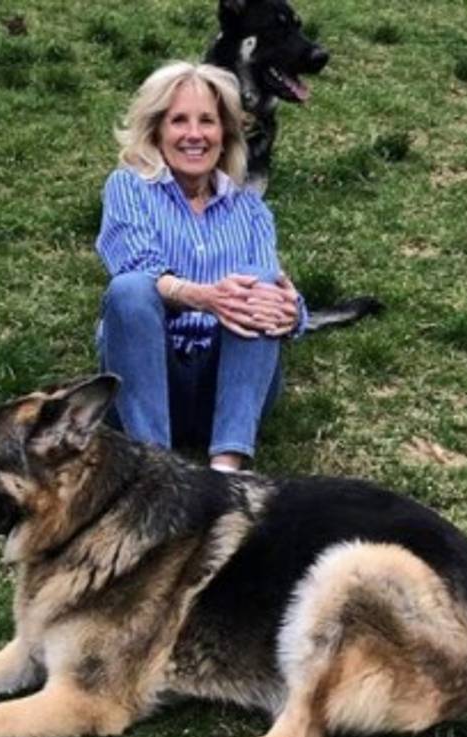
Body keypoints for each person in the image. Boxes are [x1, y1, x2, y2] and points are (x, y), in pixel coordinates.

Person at [95, 61, 306, 472]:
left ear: (226, 132)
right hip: (150, 381)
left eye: (207, 121)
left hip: (226, 387)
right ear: (156, 130)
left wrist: (291, 309)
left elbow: (271, 290)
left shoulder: (251, 210)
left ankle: (227, 470)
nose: (194, 135)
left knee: (263, 285)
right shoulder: (128, 188)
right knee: (131, 288)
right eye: (178, 121)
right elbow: (138, 268)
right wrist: (207, 298)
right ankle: (154, 468)